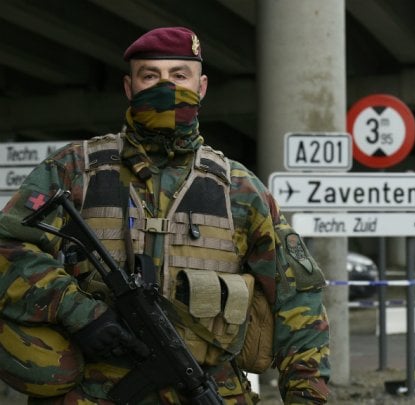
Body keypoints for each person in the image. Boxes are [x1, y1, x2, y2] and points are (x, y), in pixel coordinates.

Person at [0, 27, 330, 404]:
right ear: (129, 87)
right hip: (93, 391)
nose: (166, 88)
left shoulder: (240, 189)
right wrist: (78, 310)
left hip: (208, 388)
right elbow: (8, 245)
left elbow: (298, 301)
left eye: (179, 75)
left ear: (201, 86)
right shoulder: (75, 169)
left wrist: (307, 397)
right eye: (150, 76)